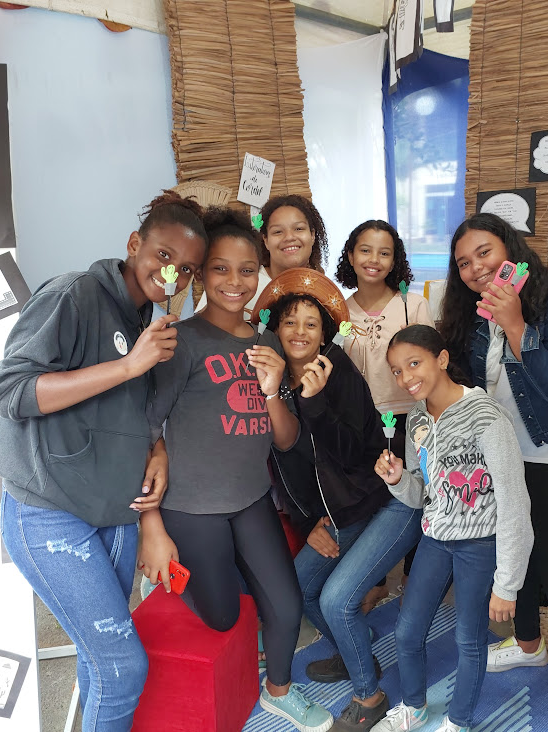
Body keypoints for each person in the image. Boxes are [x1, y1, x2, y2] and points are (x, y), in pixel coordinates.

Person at [0, 191, 208, 731]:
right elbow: (11, 390)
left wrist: (157, 449)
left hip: (114, 511)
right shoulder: (74, 294)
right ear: (134, 245)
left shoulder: (150, 323)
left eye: (186, 268)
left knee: (99, 662)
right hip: (49, 511)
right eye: (163, 255)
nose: (171, 274)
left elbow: (140, 415)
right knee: (123, 667)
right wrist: (128, 366)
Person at [138, 209, 332, 732]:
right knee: (224, 616)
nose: (235, 281)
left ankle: (279, 691)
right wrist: (151, 526)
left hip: (251, 499)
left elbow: (286, 440)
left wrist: (272, 391)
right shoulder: (180, 341)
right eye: (220, 269)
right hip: (191, 507)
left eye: (247, 270)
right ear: (201, 274)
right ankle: (183, 576)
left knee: (287, 607)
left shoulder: (266, 343)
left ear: (260, 273)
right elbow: (145, 430)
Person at [440, 212, 548, 732]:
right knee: (518, 553)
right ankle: (529, 644)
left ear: (510, 248)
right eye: (463, 263)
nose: (475, 269)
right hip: (501, 453)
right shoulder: (471, 311)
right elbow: (469, 383)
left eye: (484, 253)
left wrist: (515, 324)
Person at [252, 270, 422, 732]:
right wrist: (307, 522)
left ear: (325, 332)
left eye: (311, 323)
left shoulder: (338, 371)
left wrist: (315, 402)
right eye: (290, 322)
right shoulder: (274, 382)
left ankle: (370, 696)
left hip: (387, 500)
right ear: (275, 328)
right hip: (341, 512)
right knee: (299, 589)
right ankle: (355, 650)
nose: (300, 332)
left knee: (336, 599)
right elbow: (283, 466)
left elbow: (357, 454)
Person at [371, 324, 533, 732]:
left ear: (441, 359)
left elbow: (515, 502)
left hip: (480, 544)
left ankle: (459, 721)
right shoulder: (417, 420)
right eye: (397, 370)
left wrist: (507, 584)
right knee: (407, 632)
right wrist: (397, 480)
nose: (406, 378)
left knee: (468, 640)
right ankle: (414, 707)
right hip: (435, 539)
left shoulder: (485, 415)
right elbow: (422, 493)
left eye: (414, 364)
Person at [336, 220, 434, 607]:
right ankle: (374, 581)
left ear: (395, 260)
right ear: (350, 255)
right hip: (360, 421)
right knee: (370, 497)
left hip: (410, 418)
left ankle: (413, 577)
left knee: (416, 494)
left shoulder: (412, 305)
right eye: (365, 250)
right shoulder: (338, 310)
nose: (373, 259)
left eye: (384, 252)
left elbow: (429, 366)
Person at [242, 193, 329, 314]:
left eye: (298, 229)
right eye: (278, 231)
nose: (289, 237)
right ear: (266, 240)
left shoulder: (325, 292)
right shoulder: (246, 286)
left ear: (312, 235)